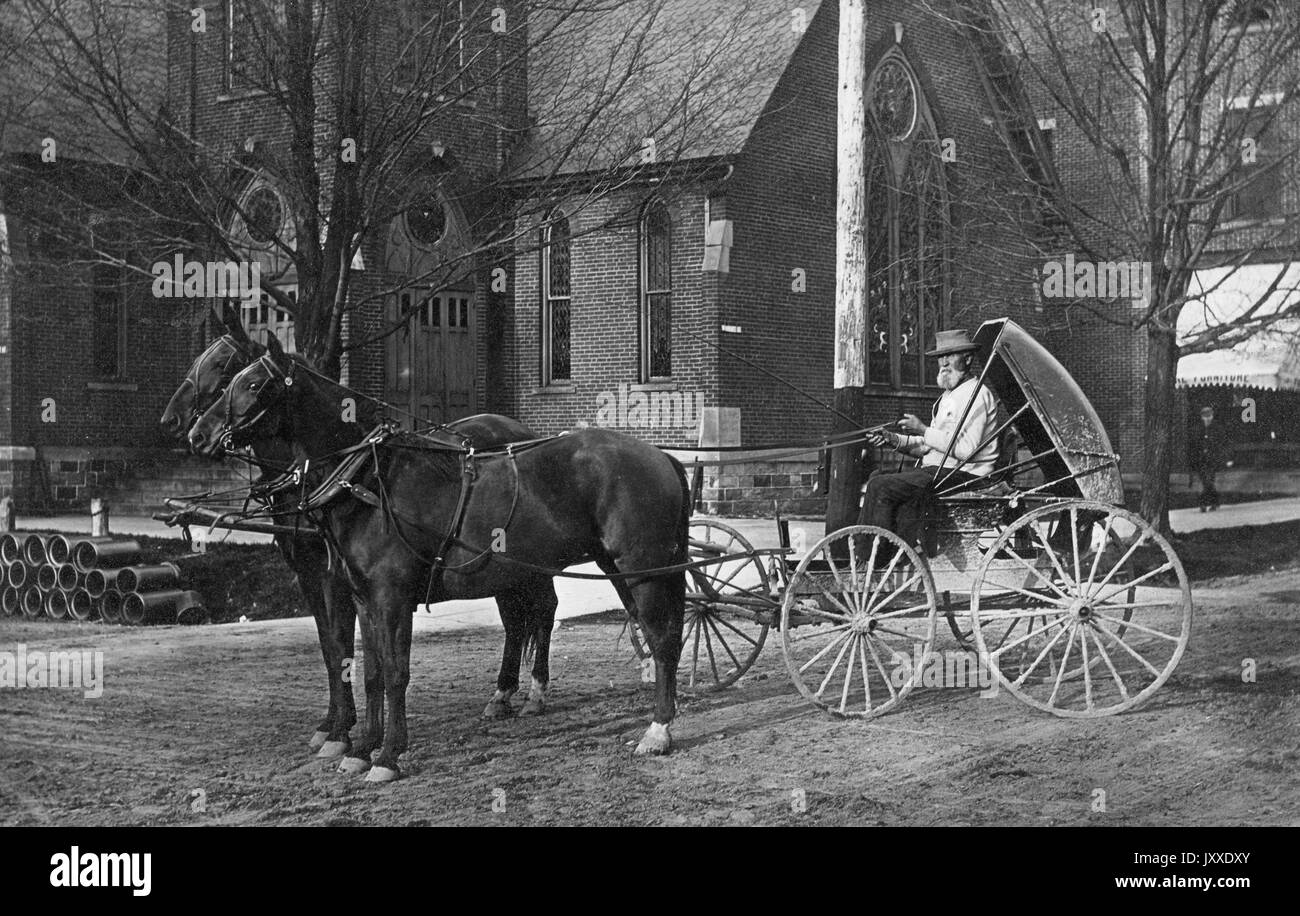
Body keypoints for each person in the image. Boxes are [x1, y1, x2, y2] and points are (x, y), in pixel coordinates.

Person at [858, 329, 1000, 543]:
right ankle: (884, 550)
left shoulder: (977, 395)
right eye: (940, 357)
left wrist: (923, 429)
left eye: (950, 356)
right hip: (940, 470)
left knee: (881, 486)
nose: (943, 363)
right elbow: (927, 446)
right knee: (876, 477)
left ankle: (875, 557)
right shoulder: (949, 396)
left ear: (968, 359)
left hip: (965, 474)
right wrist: (892, 439)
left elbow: (966, 450)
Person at [1192, 405, 1224, 512]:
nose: (1207, 418)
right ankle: (1214, 502)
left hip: (1212, 460)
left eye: (1209, 416)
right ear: (1202, 417)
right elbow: (1194, 445)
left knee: (1208, 481)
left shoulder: (1217, 429)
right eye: (1205, 416)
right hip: (1201, 460)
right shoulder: (1197, 429)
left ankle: (1203, 503)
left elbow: (1220, 444)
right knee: (1205, 481)